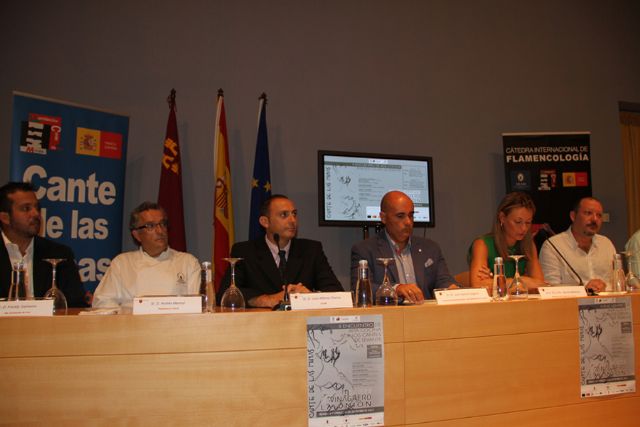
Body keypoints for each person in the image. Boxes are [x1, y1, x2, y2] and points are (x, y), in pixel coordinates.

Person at [217, 194, 343, 308]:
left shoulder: (311, 250)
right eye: (284, 215)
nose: (293, 220)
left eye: (294, 214)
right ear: (265, 222)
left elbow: (337, 292)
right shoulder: (245, 251)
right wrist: (267, 300)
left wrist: (310, 296)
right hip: (261, 323)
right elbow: (224, 294)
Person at [351, 191, 457, 302]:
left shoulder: (430, 248)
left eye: (411, 215)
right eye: (400, 216)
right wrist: (395, 289)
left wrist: (451, 288)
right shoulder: (364, 250)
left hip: (424, 311)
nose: (408, 222)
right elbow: (360, 290)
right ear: (383, 218)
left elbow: (443, 280)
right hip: (391, 312)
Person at [92, 201, 200, 308]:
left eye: (162, 224)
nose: (160, 231)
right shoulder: (122, 263)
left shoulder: (188, 262)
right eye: (150, 226)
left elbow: (198, 305)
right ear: (137, 235)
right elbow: (102, 302)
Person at [0, 181, 87, 306]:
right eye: (26, 208)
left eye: (37, 208)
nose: (36, 214)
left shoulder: (59, 253)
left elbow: (76, 304)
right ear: (5, 218)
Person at [468, 192, 545, 291]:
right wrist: (521, 281)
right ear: (502, 218)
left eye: (528, 222)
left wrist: (495, 281)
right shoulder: (482, 245)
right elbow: (477, 284)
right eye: (518, 222)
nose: (524, 228)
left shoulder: (528, 245)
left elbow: (539, 284)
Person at [539, 197, 616, 293]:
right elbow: (549, 288)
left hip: (607, 301)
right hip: (570, 302)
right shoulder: (553, 246)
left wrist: (605, 287)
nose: (594, 219)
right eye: (588, 213)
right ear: (573, 216)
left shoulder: (606, 244)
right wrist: (584, 290)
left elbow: (617, 282)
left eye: (599, 215)